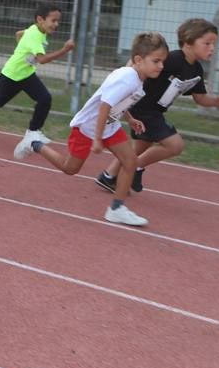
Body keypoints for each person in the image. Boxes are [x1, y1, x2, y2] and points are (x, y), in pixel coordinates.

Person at [23, 32, 169, 228]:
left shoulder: (137, 75)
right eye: (156, 61)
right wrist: (98, 139)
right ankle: (34, 143)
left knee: (130, 161)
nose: (161, 66)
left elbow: (119, 103)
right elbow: (105, 105)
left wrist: (130, 119)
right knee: (70, 169)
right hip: (87, 129)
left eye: (162, 61)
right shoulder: (128, 78)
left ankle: (116, 209)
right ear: (138, 60)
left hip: (110, 126)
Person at [96, 18, 219, 194]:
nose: (212, 48)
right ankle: (135, 167)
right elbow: (139, 62)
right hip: (142, 107)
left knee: (141, 145)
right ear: (188, 42)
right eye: (207, 43)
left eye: (214, 43)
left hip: (155, 110)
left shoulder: (196, 69)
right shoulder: (173, 59)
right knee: (175, 145)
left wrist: (217, 101)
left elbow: (201, 99)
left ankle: (108, 176)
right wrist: (127, 78)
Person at [0, 2, 75, 148]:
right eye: (53, 20)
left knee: (45, 99)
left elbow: (18, 34)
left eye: (58, 21)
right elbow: (42, 60)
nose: (56, 24)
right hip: (12, 75)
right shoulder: (34, 35)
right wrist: (65, 49)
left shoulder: (36, 29)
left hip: (27, 75)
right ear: (40, 19)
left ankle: (33, 132)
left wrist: (21, 49)